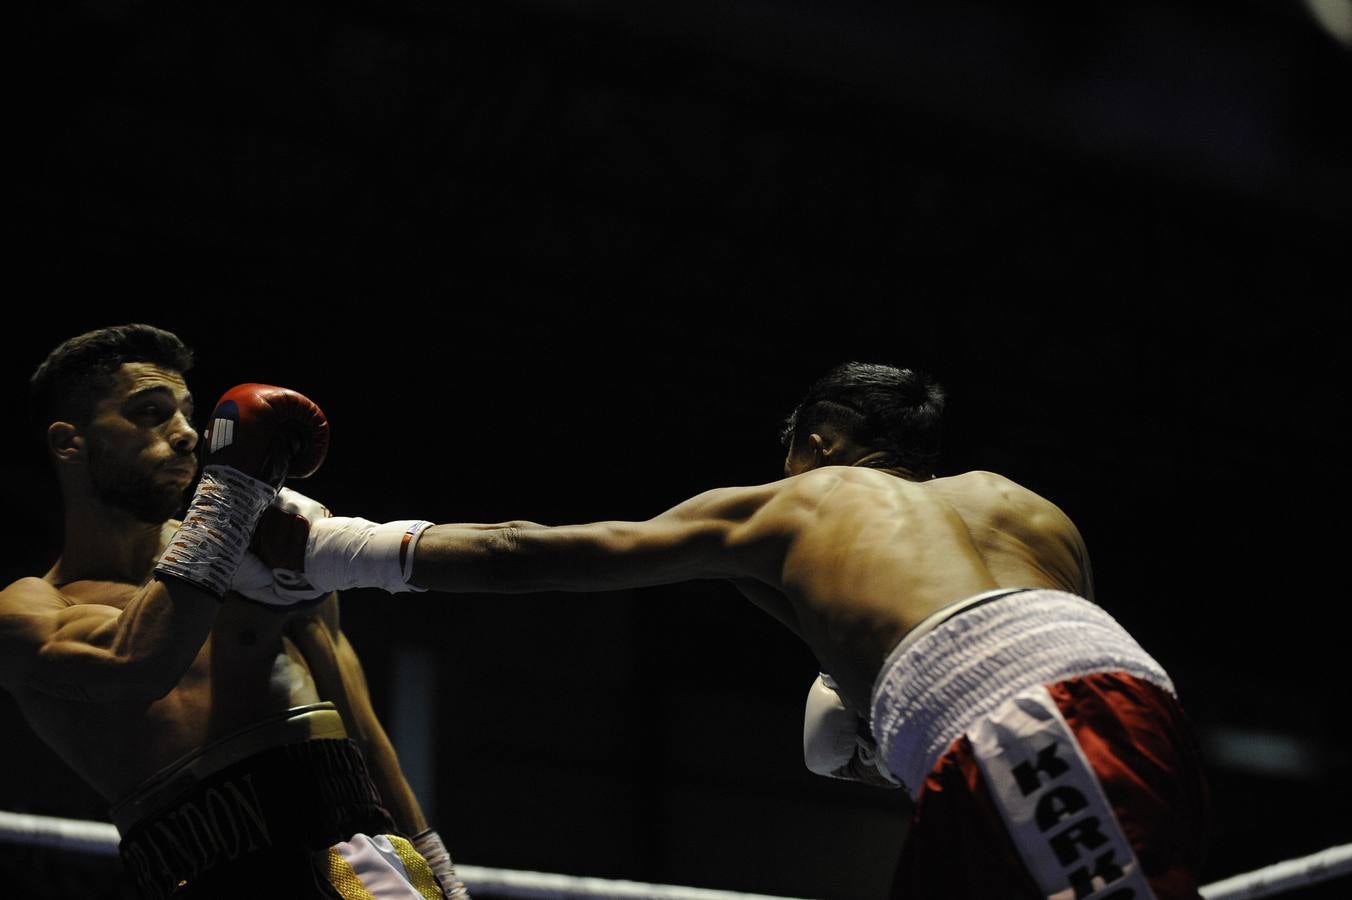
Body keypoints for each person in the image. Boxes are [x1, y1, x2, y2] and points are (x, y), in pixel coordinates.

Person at [258, 360, 1210, 899]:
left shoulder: (801, 502)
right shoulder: (1027, 508)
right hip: (1084, 715)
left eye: (788, 449)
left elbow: (533, 550)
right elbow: (1059, 650)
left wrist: (340, 546)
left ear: (823, 437)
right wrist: (886, 725)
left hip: (1024, 725)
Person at [0, 324, 468, 899]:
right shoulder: (28, 610)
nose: (185, 435)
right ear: (69, 443)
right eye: (150, 413)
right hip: (188, 870)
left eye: (186, 414)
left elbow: (358, 724)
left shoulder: (264, 552)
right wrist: (229, 502)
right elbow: (132, 663)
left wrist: (435, 864)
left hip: (345, 854)